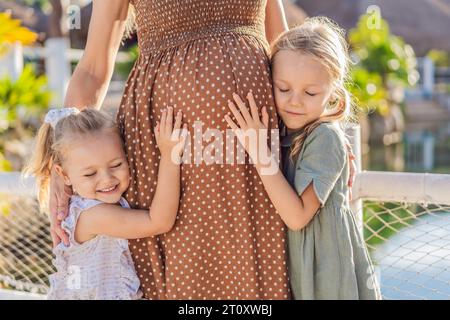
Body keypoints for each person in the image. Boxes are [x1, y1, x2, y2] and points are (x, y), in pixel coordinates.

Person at [48, 0, 292, 299]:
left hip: (253, 148)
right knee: (184, 269)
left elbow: (284, 46)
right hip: (166, 151)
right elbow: (93, 68)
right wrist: (58, 159)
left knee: (260, 265)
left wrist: (321, 129)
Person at [225, 17, 382, 300]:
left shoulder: (325, 138)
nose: (294, 102)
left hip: (327, 274)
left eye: (310, 93)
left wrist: (259, 151)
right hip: (297, 267)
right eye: (283, 89)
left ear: (333, 92)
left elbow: (297, 217)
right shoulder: (285, 131)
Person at [23, 107, 187, 299]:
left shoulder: (88, 206)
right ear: (64, 175)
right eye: (90, 174)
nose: (107, 179)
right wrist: (169, 155)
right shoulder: (92, 216)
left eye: (116, 165)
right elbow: (159, 221)